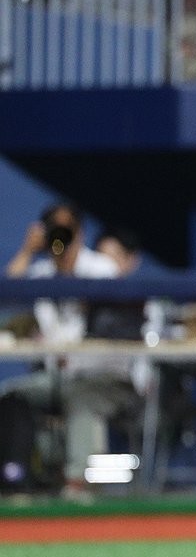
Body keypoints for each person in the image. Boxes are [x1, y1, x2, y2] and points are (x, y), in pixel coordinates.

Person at [1, 202, 142, 499]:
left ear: (81, 232)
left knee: (82, 396)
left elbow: (119, 320)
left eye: (68, 230)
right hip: (58, 377)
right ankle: (16, 481)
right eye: (55, 229)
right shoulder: (40, 272)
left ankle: (79, 487)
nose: (62, 237)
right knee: (12, 395)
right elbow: (8, 292)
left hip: (105, 378)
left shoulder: (100, 269)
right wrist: (29, 250)